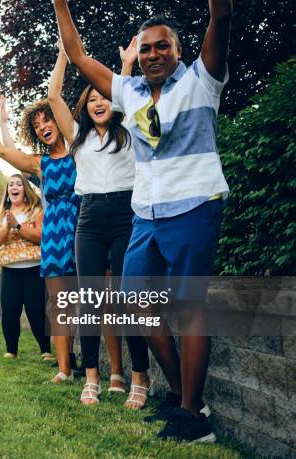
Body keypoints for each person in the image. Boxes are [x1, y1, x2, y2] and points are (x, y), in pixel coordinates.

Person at [53, 0, 232, 442]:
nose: (152, 54)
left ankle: (194, 417)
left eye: (162, 47)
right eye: (146, 48)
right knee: (136, 304)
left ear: (177, 49)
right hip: (146, 214)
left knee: (188, 308)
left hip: (193, 206)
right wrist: (60, 3)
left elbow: (221, 17)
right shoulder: (127, 92)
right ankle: (180, 397)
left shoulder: (201, 81)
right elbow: (77, 56)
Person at [47, 38, 152, 407]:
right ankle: (91, 377)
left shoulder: (131, 133)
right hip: (89, 219)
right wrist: (63, 55)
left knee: (127, 300)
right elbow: (54, 96)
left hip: (127, 217)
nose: (98, 103)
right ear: (85, 108)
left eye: (103, 98)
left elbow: (122, 93)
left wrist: (125, 69)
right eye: (91, 100)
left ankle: (139, 375)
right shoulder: (78, 138)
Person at [0, 96, 80, 384]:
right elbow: (3, 151)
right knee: (61, 305)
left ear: (60, 119)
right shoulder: (41, 163)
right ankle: (65, 369)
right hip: (56, 237)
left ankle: (109, 373)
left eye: (47, 120)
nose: (42, 127)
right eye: (36, 125)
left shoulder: (81, 151)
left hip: (86, 227)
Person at [0, 174, 51, 359]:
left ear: (25, 189)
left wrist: (17, 227)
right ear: (8, 192)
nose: (14, 187)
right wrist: (6, 226)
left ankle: (46, 350)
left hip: (34, 269)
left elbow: (41, 237)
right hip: (10, 270)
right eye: (10, 185)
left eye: (18, 184)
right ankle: (11, 350)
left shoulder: (36, 211)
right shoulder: (1, 215)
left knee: (36, 310)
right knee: (9, 311)